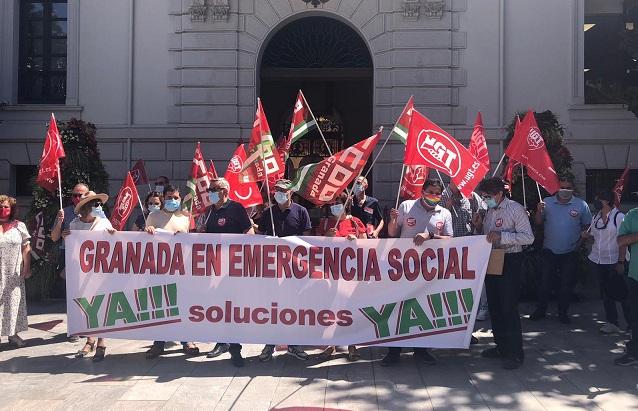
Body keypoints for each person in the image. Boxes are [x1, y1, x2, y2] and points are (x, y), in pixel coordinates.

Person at [382, 178, 453, 366]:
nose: (434, 197)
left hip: (429, 271)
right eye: (431, 192)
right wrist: (392, 220)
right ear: (422, 191)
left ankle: (421, 350)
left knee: (424, 309)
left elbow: (450, 239)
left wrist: (430, 236)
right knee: (398, 309)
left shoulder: (444, 213)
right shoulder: (406, 206)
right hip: (404, 268)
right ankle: (393, 351)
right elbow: (391, 233)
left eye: (438, 194)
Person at [474, 178, 534, 370]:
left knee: (508, 308)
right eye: (484, 197)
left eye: (488, 197)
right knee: (495, 306)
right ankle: (501, 346)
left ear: (499, 193)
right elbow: (487, 236)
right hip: (493, 260)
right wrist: (478, 226)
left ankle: (515, 353)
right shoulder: (490, 211)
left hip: (510, 261)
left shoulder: (515, 209)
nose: (485, 200)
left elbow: (528, 237)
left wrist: (502, 236)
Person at [255, 179, 312, 362]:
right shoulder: (268, 213)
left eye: (282, 190)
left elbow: (307, 239)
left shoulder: (301, 211)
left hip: (294, 268)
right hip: (272, 267)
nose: (278, 193)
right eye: (276, 190)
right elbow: (261, 235)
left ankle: (294, 345)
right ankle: (269, 345)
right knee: (272, 307)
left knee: (293, 307)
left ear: (290, 193)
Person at [144, 185, 200, 359]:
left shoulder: (185, 217)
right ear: (164, 198)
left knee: (182, 305)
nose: (173, 200)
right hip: (158, 268)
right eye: (169, 197)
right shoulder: (153, 216)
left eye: (176, 198)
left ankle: (187, 340)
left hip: (180, 268)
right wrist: (148, 231)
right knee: (160, 306)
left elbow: (192, 239)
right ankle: (158, 343)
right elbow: (144, 240)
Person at [204, 177, 254, 367]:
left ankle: (235, 349)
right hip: (213, 268)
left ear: (225, 191)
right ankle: (221, 342)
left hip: (233, 269)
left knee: (231, 308)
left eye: (214, 189)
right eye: (209, 189)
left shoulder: (236, 208)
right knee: (217, 307)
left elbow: (249, 234)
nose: (210, 192)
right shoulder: (209, 212)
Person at [530, 176, 592, 324]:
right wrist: (538, 211)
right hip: (549, 250)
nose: (565, 190)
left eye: (568, 187)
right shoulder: (547, 202)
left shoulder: (581, 205)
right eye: (562, 187)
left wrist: (580, 242)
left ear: (573, 189)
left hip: (570, 251)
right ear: (557, 188)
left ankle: (563, 313)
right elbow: (538, 222)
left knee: (566, 284)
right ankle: (541, 310)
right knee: (544, 283)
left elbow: (587, 226)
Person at [65, 191, 116, 361]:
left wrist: (113, 234)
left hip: (101, 272)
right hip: (82, 272)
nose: (99, 207)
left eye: (100, 204)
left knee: (101, 305)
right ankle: (89, 339)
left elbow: (114, 240)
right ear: (87, 207)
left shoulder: (104, 222)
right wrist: (66, 236)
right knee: (87, 306)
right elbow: (71, 246)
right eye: (95, 204)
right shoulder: (75, 224)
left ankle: (101, 341)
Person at [321, 192, 366, 361]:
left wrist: (356, 240)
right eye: (331, 203)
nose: (334, 206)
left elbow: (367, 244)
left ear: (345, 203)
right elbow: (313, 245)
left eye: (337, 202)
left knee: (350, 308)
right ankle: (330, 344)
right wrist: (327, 238)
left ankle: (352, 345)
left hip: (351, 274)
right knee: (330, 308)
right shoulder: (326, 223)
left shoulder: (355, 222)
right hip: (330, 274)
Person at [581, 190, 630, 334]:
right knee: (606, 294)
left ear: (607, 201)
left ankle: (631, 324)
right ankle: (612, 322)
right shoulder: (596, 217)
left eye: (598, 199)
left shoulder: (619, 217)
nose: (596, 202)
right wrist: (586, 235)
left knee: (623, 294)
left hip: (615, 261)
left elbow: (623, 241)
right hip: (597, 260)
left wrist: (621, 262)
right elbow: (595, 237)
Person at [441, 182, 489, 320]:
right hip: (448, 247)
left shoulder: (471, 195)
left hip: (469, 244)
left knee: (474, 279)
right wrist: (448, 207)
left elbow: (482, 212)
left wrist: (478, 220)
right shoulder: (441, 196)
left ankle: (480, 307)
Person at [50, 182, 89, 342]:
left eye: (81, 195)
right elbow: (54, 237)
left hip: (88, 260)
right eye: (74, 195)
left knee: (88, 293)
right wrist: (60, 223)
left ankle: (87, 326)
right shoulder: (64, 212)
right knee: (72, 293)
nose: (77, 198)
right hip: (69, 256)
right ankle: (74, 328)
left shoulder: (96, 212)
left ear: (87, 196)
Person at [0, 195, 31, 348]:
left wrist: (26, 267)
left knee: (13, 303)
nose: (3, 210)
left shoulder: (19, 226)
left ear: (11, 209)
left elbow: (26, 248)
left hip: (13, 273)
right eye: (0, 207)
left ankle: (12, 334)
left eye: (6, 207)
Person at [615, 206, 638, 366]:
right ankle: (634, 352)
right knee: (635, 318)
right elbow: (621, 241)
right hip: (636, 276)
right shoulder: (633, 214)